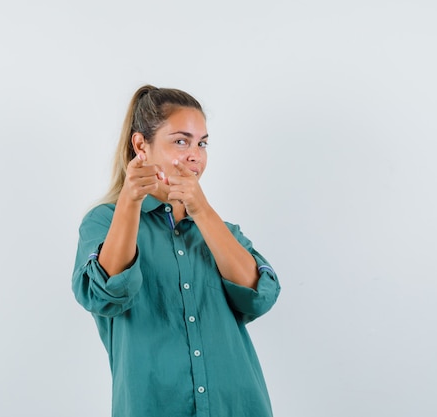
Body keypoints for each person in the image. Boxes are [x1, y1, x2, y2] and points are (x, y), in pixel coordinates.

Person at [72, 85, 281, 417]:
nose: (194, 154)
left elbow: (259, 296)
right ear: (141, 145)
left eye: (202, 143)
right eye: (181, 141)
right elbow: (105, 293)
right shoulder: (104, 222)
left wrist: (201, 211)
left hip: (238, 406)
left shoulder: (221, 230)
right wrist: (130, 200)